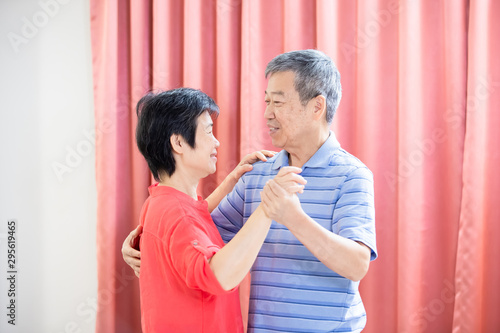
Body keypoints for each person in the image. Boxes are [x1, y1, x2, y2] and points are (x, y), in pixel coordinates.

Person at [124, 50, 377, 332]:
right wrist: (146, 240)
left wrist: (292, 217)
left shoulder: (352, 176)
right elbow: (198, 232)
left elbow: (357, 264)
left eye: (278, 102)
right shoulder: (257, 174)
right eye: (267, 101)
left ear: (317, 107)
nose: (267, 113)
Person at [132, 87, 305, 332]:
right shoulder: (177, 213)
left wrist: (231, 180)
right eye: (208, 132)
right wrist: (269, 206)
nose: (217, 142)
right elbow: (219, 275)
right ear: (178, 142)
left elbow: (196, 213)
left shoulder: (159, 202)